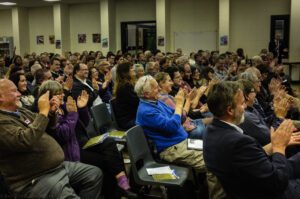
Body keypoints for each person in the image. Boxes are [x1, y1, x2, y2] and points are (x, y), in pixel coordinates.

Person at [0, 79, 103, 198]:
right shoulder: (2, 121)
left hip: (56, 166)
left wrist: (51, 113)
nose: (19, 94)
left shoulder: (19, 111)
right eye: (14, 91)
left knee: (94, 174)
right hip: (35, 178)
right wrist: (44, 112)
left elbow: (45, 125)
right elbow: (25, 140)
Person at [204, 81, 300, 199]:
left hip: (251, 182)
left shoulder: (211, 130)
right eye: (242, 103)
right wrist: (279, 148)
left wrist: (275, 144)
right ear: (230, 110)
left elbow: (249, 159)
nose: (245, 107)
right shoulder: (237, 142)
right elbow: (278, 183)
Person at [135, 75, 225, 199]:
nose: (159, 89)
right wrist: (178, 104)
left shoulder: (156, 101)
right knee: (215, 163)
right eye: (156, 88)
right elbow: (172, 125)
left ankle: (204, 191)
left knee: (217, 151)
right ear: (146, 94)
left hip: (182, 142)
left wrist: (184, 103)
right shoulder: (146, 111)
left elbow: (181, 117)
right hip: (171, 148)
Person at [113, 62, 139, 130]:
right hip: (127, 121)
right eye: (131, 68)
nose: (133, 69)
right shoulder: (124, 87)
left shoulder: (128, 84)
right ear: (125, 72)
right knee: (151, 120)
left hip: (132, 116)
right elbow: (137, 103)